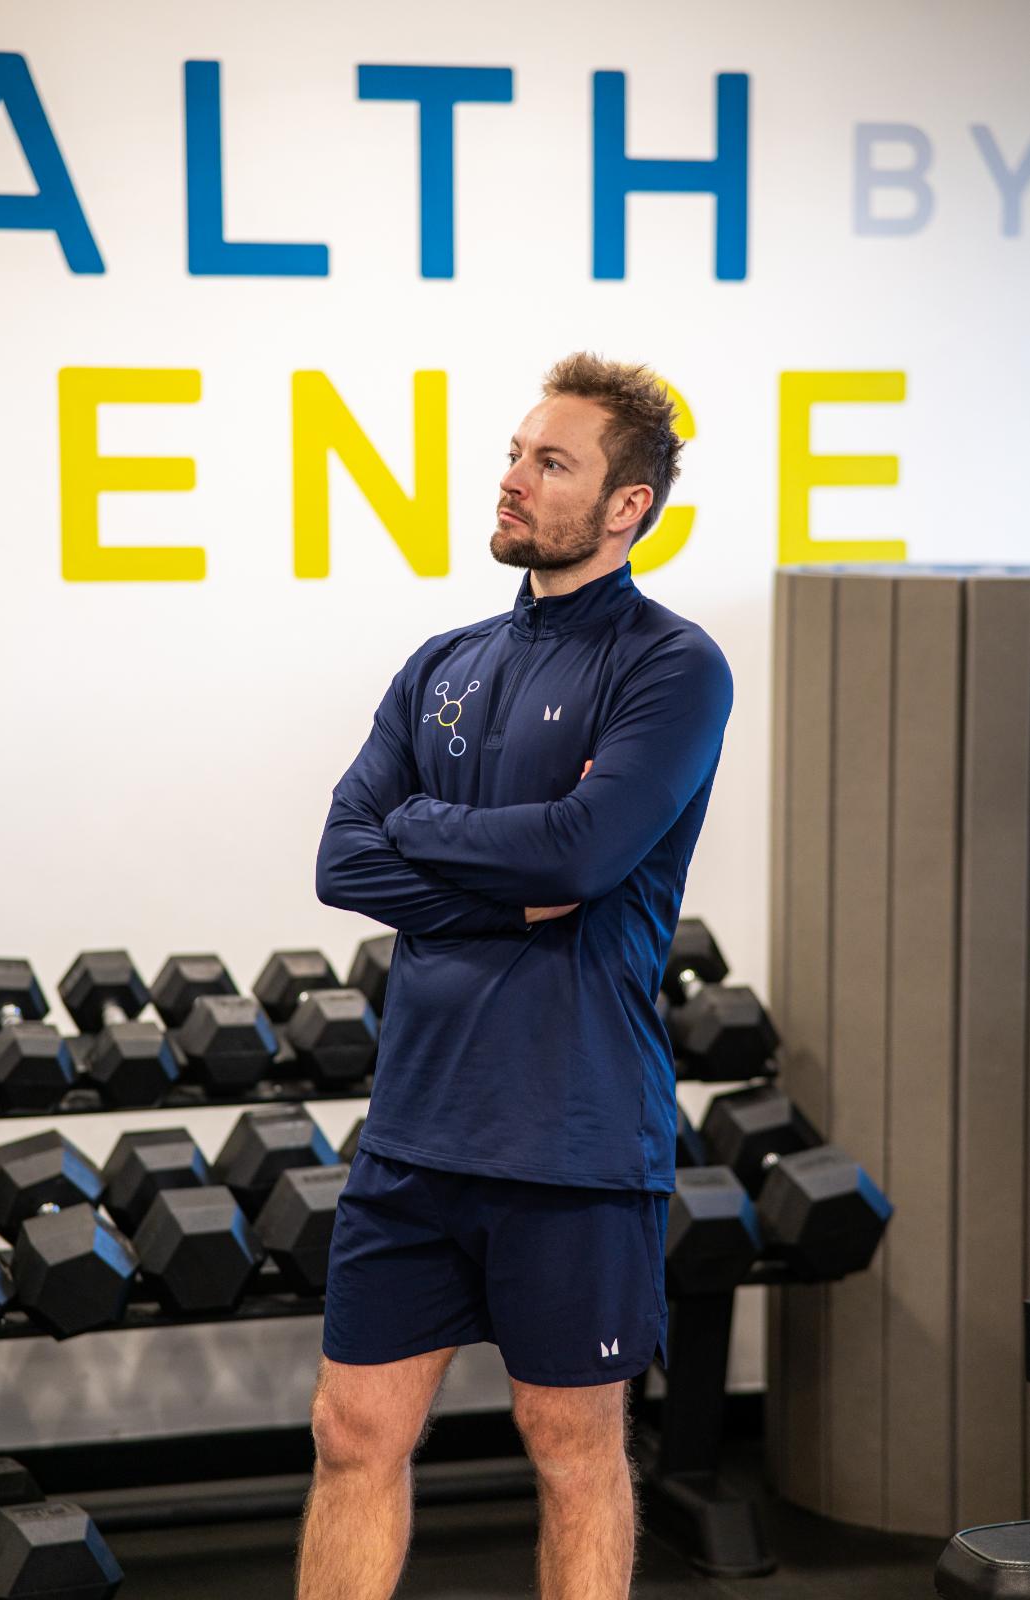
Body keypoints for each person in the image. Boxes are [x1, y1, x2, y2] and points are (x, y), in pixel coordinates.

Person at [296, 351, 734, 1599]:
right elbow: (341, 857)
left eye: (552, 463)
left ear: (625, 505)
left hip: (575, 1133)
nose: (514, 480)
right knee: (349, 1433)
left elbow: (587, 849)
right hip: (417, 1130)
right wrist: (518, 879)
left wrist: (428, 830)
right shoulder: (445, 660)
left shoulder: (672, 665)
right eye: (513, 453)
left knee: (573, 1447)